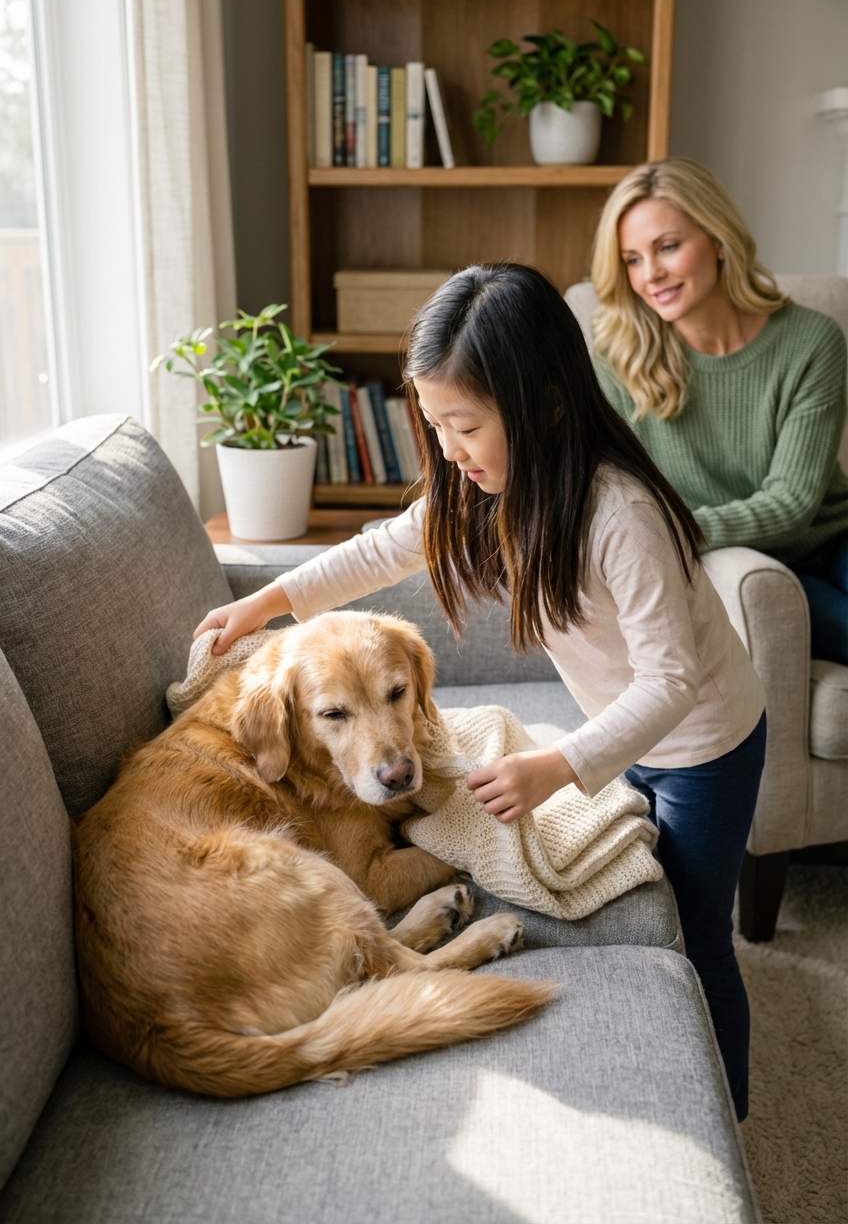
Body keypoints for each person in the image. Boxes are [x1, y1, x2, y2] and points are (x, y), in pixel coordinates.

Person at [196, 263, 766, 1121]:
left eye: (464, 425)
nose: (451, 452)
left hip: (704, 744)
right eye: (437, 427)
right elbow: (379, 550)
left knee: (696, 932)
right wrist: (261, 603)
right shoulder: (480, 487)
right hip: (628, 734)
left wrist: (557, 767)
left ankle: (730, 1113)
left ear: (543, 405)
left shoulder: (622, 515)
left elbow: (673, 682)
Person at [590, 156, 848, 665]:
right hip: (736, 563)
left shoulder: (812, 341)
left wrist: (675, 528)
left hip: (832, 538)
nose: (651, 274)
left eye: (667, 247)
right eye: (633, 259)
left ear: (718, 238)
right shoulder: (616, 361)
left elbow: (794, 501)